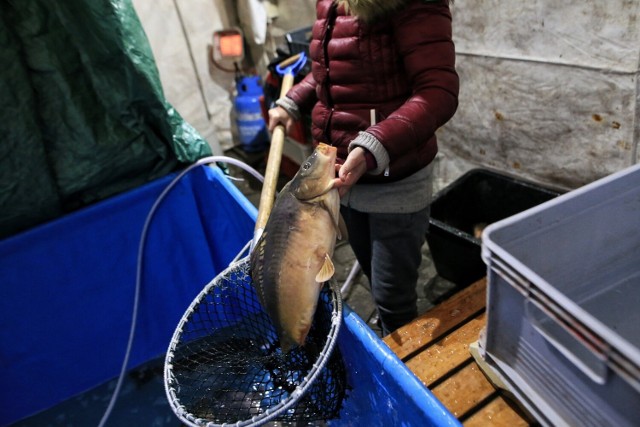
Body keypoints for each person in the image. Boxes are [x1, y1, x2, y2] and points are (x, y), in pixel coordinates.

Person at [268, 0, 459, 336]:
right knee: (374, 276)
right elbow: (331, 73)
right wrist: (293, 100)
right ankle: (389, 333)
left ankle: (402, 365)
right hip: (343, 179)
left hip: (394, 179)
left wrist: (376, 143)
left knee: (392, 296)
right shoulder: (331, 2)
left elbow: (438, 92)